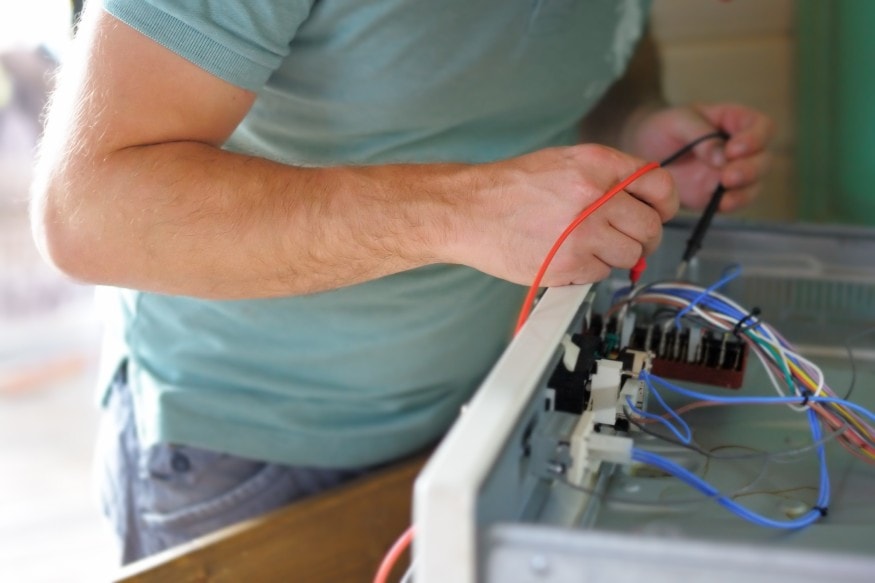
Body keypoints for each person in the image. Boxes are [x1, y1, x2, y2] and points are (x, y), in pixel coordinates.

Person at [31, 0, 774, 564]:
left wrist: (636, 124)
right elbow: (89, 209)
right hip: (251, 454)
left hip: (492, 422)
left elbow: (597, 51)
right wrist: (458, 209)